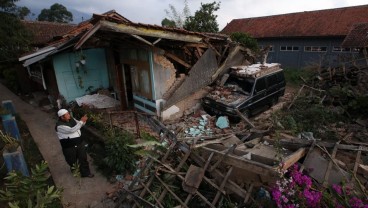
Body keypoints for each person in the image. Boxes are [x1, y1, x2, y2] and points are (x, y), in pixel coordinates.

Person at [55, 109, 94, 178]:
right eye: (66, 114)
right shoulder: (59, 126)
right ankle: (76, 172)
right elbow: (71, 130)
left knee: (83, 158)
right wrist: (81, 121)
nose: (69, 115)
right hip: (69, 146)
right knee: (72, 160)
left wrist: (83, 121)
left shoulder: (72, 119)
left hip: (79, 143)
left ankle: (86, 173)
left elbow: (79, 124)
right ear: (62, 117)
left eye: (68, 113)